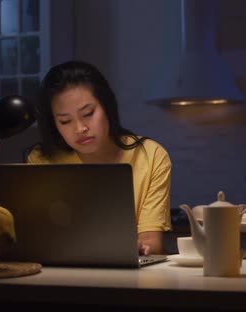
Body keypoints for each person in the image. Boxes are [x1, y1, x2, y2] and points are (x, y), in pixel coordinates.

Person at [26, 60, 172, 256]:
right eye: (65, 121)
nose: (80, 129)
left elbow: (151, 244)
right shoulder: (42, 160)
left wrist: (138, 248)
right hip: (59, 276)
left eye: (88, 113)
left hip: (130, 279)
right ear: (54, 124)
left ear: (107, 107)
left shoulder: (150, 156)